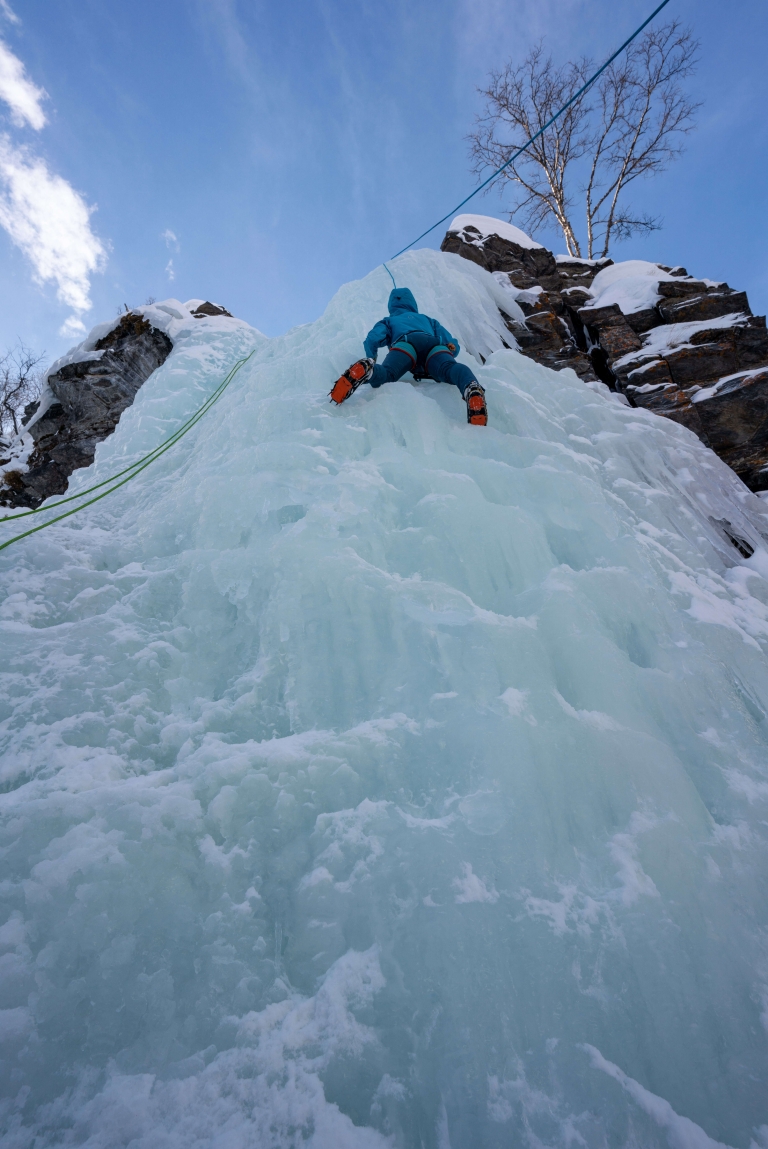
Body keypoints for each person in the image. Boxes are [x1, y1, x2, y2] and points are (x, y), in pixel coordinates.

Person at [329, 287, 487, 425]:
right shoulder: (428, 320)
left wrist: (372, 357)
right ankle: (471, 387)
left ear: (392, 305)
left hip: (405, 344)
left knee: (388, 373)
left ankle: (368, 369)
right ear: (412, 302)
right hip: (434, 345)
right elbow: (452, 343)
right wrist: (451, 350)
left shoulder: (390, 320)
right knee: (450, 369)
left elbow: (372, 338)